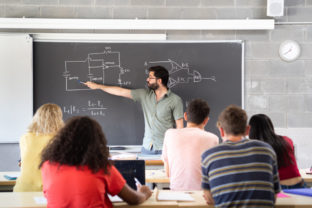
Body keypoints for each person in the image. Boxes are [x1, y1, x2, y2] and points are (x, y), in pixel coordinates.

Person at [40, 116, 152, 208]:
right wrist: (144, 192)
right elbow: (134, 199)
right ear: (96, 142)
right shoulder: (101, 167)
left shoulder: (47, 167)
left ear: (63, 140)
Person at [84, 65, 183, 154]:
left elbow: (180, 128)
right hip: (147, 148)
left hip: (166, 149)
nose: (147, 79)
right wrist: (98, 86)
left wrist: (178, 149)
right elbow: (120, 91)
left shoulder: (175, 100)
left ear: (159, 81)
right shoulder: (145, 95)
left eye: (150, 78)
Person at [201, 105, 280, 207]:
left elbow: (209, 198)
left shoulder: (209, 156)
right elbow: (273, 195)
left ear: (221, 131)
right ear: (247, 130)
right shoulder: (267, 150)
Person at [162, 99, 218, 191]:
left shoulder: (169, 134)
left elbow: (168, 173)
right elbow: (212, 175)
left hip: (177, 195)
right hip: (202, 197)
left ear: (185, 116)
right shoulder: (213, 139)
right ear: (206, 120)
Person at [13, 103, 64, 192]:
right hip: (49, 190)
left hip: (22, 189)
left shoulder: (25, 137)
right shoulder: (60, 139)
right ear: (58, 119)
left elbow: (23, 162)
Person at [249, 114, 306, 189]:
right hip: (300, 185)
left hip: (280, 188)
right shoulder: (287, 140)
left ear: (251, 130)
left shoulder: (257, 147)